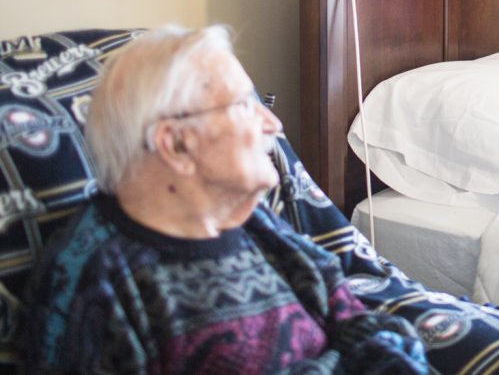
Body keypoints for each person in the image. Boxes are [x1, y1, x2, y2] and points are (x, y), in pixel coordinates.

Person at [20, 25, 428, 374]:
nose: (274, 123)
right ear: (176, 143)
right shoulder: (95, 283)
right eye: (244, 106)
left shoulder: (256, 225)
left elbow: (364, 326)